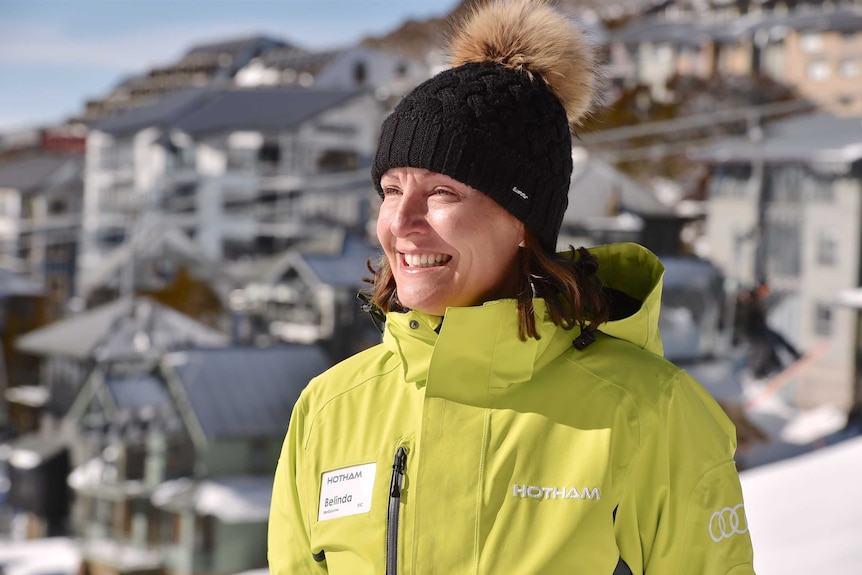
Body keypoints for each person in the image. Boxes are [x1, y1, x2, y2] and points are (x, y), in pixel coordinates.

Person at [268, 1, 756, 573]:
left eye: (443, 193)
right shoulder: (330, 410)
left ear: (523, 221)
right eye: (393, 189)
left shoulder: (650, 414)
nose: (400, 223)